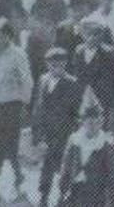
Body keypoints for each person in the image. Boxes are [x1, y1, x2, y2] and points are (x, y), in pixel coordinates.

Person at [0, 19, 33, 194]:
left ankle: (4, 177)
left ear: (9, 36)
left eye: (2, 35)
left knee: (9, 144)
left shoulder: (18, 54)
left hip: (11, 105)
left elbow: (27, 81)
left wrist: (25, 103)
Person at [31, 47, 83, 206]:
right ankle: (43, 197)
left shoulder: (72, 83)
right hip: (46, 133)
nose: (56, 69)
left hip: (64, 133)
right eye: (52, 65)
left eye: (60, 65)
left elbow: (76, 112)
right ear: (47, 65)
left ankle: (63, 197)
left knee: (64, 168)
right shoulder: (42, 80)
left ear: (65, 65)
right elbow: (37, 108)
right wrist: (37, 134)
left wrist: (74, 134)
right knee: (46, 166)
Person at [57, 105, 114, 207]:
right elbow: (67, 167)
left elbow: (113, 176)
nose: (94, 127)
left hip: (95, 195)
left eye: (97, 123)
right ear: (83, 123)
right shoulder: (75, 142)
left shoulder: (105, 145)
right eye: (90, 123)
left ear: (101, 124)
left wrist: (113, 201)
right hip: (75, 192)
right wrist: (62, 192)